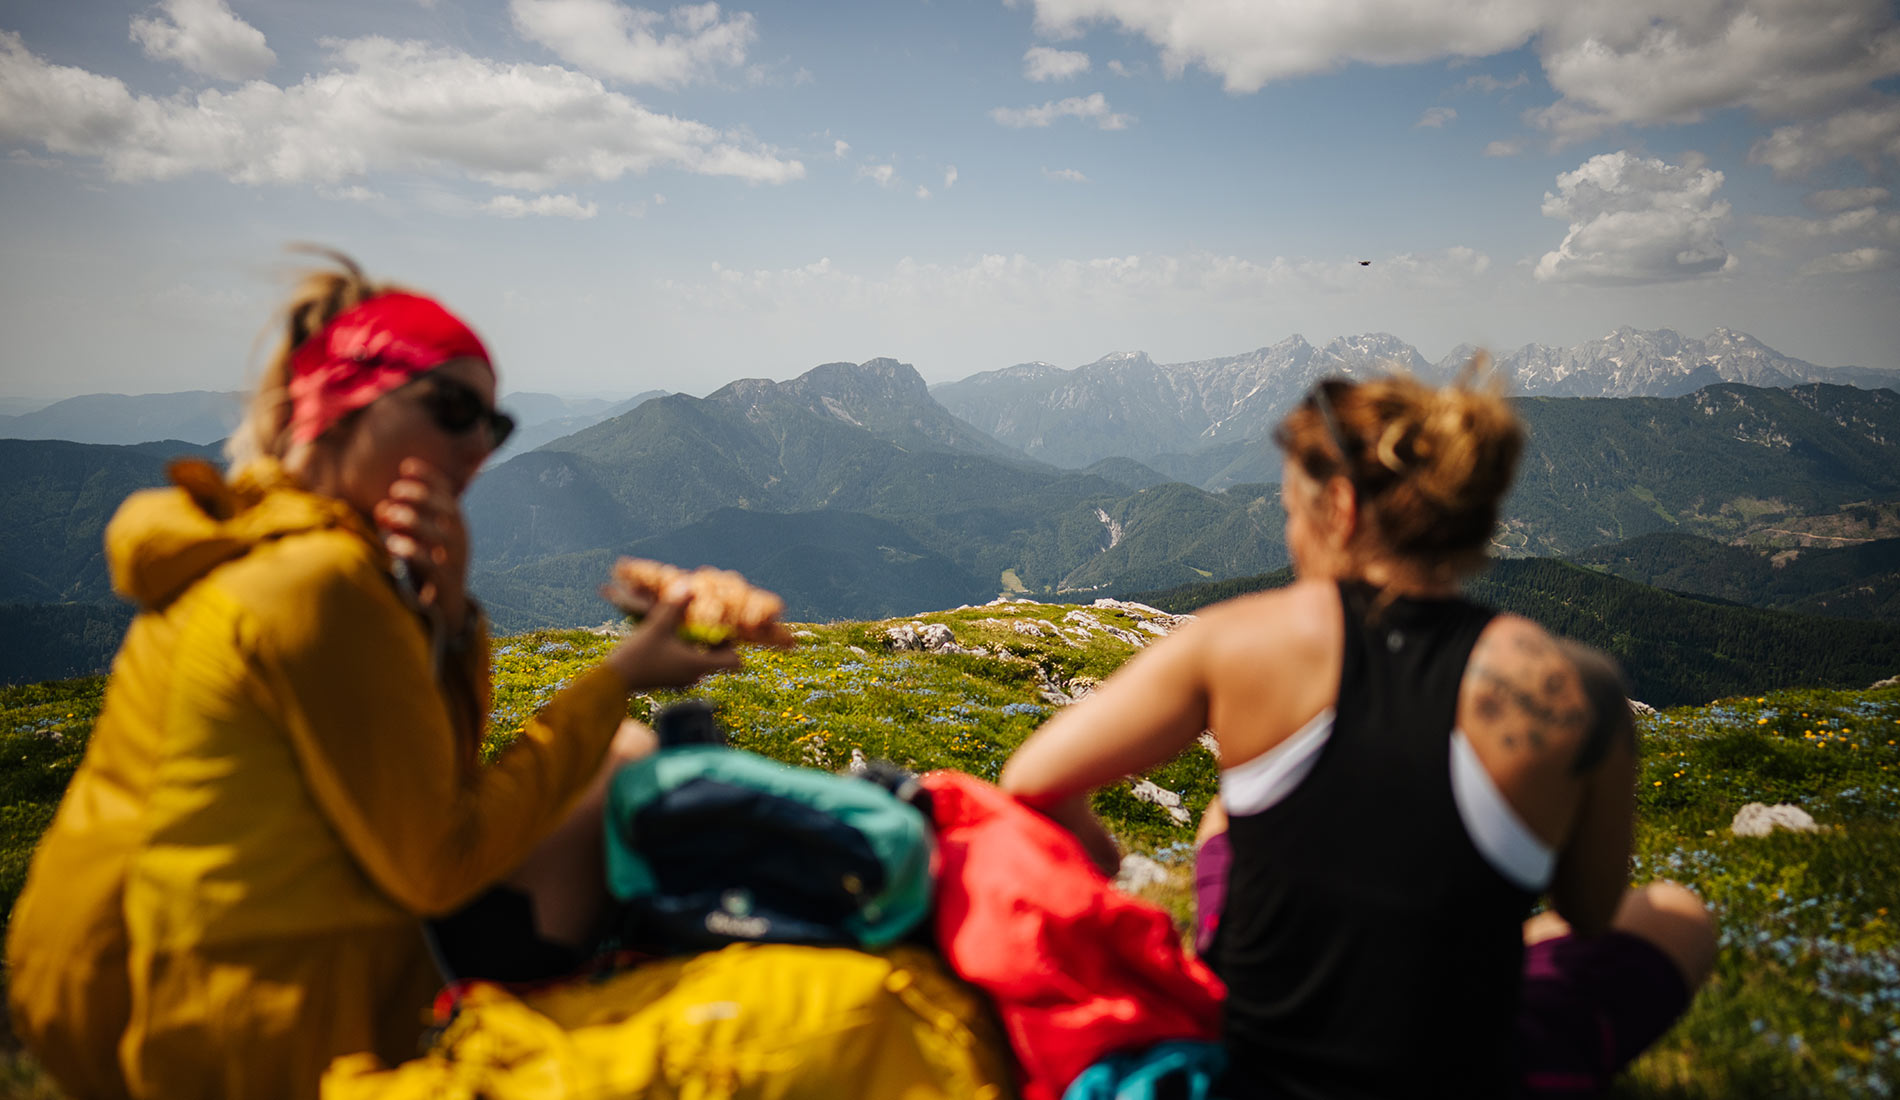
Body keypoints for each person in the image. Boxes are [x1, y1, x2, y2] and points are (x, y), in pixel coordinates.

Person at [5, 252, 740, 1100]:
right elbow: (441, 858)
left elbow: (431, 785)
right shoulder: (314, 584)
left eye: (493, 427)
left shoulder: (265, 546)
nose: (478, 446)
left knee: (620, 756)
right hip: (234, 1039)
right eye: (453, 409)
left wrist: (449, 616)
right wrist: (619, 674)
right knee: (629, 772)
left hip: (155, 993)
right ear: (341, 405)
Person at [1000, 371, 1717, 1099]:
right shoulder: (1578, 688)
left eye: (1289, 510)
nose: (1289, 531)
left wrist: (1102, 850)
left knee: (1229, 809)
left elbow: (1032, 780)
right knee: (1678, 917)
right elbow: (1590, 913)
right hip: (1462, 1075)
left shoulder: (1237, 641)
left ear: (1339, 509)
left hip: (1251, 1075)